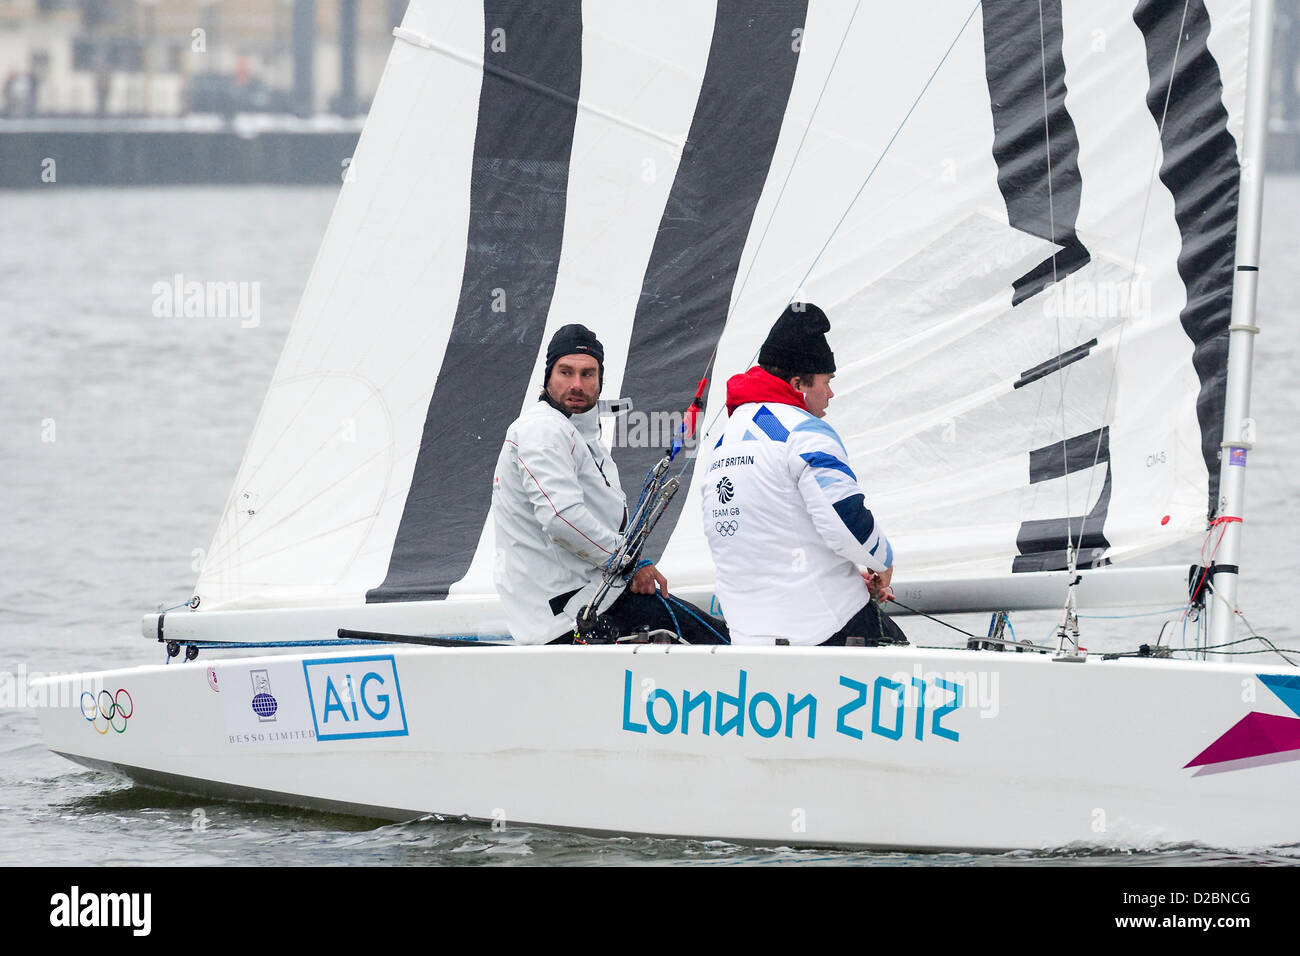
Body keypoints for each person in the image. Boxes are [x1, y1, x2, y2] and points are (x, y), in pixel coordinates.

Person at [492, 324, 727, 645]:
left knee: (706, 627)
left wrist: (632, 564)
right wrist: (628, 563)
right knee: (717, 639)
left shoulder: (579, 434)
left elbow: (598, 521)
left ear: (600, 381)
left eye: (588, 374)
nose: (577, 384)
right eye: (566, 372)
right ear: (547, 377)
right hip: (567, 614)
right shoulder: (542, 431)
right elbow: (562, 519)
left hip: (589, 598)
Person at [701, 303, 907, 646]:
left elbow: (756, 538)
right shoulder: (805, 432)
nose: (830, 393)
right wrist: (882, 563)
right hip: (823, 630)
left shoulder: (725, 438)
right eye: (826, 382)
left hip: (747, 635)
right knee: (915, 684)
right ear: (798, 384)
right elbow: (846, 524)